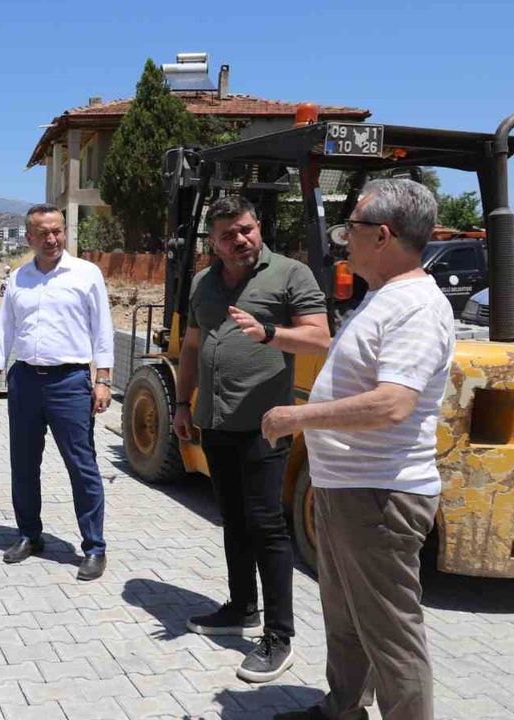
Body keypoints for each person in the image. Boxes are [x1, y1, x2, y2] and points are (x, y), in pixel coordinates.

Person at [265, 179, 454, 720]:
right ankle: (343, 707)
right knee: (345, 614)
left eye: (352, 227)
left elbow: (392, 404)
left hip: (380, 496)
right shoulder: (383, 296)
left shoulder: (416, 306)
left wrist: (297, 417)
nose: (344, 238)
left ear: (383, 235)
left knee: (390, 633)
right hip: (348, 487)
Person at [172, 195, 331, 683]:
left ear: (257, 226)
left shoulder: (290, 274)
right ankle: (241, 608)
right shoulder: (202, 282)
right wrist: (181, 404)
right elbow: (192, 345)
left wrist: (268, 333)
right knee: (234, 521)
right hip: (215, 420)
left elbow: (319, 337)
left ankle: (279, 636)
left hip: (265, 424)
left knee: (267, 527)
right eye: (228, 235)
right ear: (213, 243)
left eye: (245, 229)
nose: (240, 239)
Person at [0, 204, 114, 581]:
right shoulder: (19, 278)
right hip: (25, 381)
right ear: (29, 237)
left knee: (82, 466)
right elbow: (4, 329)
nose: (52, 238)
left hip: (70, 383)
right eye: (43, 233)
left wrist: (102, 379)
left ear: (65, 232)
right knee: (23, 464)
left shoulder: (86, 274)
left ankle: (94, 547)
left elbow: (102, 329)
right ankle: (29, 534)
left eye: (57, 231)